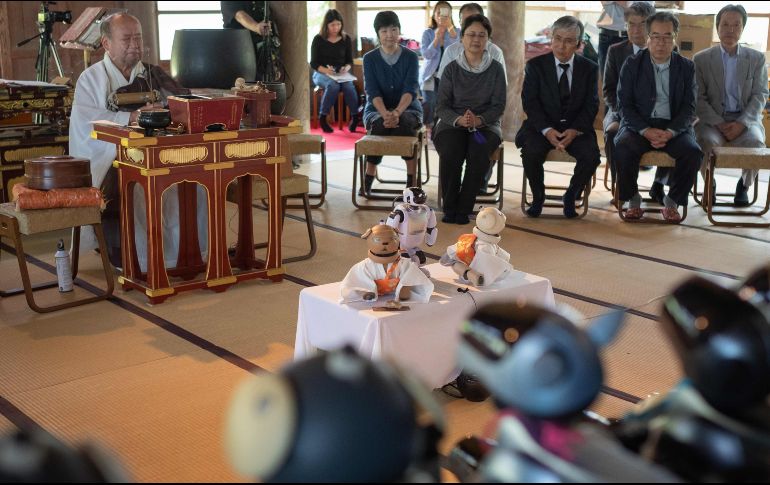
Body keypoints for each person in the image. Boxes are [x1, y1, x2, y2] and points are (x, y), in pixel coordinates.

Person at [69, 13, 207, 271]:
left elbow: (182, 102)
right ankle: (139, 261)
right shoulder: (91, 79)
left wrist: (169, 110)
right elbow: (88, 123)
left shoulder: (153, 74)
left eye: (139, 38)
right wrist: (132, 116)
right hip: (112, 157)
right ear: (106, 43)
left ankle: (188, 255)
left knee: (196, 183)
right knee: (138, 187)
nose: (135, 44)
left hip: (160, 151)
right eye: (127, 38)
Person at [614, 11, 702, 223]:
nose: (661, 43)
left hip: (673, 127)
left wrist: (671, 132)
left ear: (675, 37)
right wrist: (645, 130)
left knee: (693, 152)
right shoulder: (632, 64)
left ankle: (672, 202)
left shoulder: (686, 67)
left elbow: (689, 107)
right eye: (656, 36)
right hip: (640, 126)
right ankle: (633, 200)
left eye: (667, 36)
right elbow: (624, 105)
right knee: (623, 146)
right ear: (647, 37)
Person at [515, 16, 601, 219]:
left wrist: (574, 130)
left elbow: (591, 105)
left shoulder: (589, 68)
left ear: (579, 44)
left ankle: (571, 195)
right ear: (550, 38)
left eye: (569, 40)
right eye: (558, 38)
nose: (562, 46)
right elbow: (530, 102)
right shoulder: (535, 66)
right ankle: (538, 196)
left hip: (576, 128)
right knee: (531, 152)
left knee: (591, 156)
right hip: (542, 126)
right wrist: (547, 130)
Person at [694, 4, 768, 207]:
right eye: (725, 24)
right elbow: (698, 98)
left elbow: (760, 94)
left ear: (743, 29)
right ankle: (711, 184)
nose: (730, 30)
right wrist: (718, 122)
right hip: (712, 121)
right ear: (717, 27)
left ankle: (743, 186)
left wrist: (742, 123)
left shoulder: (756, 58)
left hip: (745, 121)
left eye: (737, 25)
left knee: (756, 144)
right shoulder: (701, 59)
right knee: (703, 141)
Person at [434, 14, 506, 225]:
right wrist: (459, 120)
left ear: (487, 40)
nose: (476, 39)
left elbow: (498, 105)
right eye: (471, 34)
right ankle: (450, 207)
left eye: (481, 35)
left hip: (485, 127)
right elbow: (441, 106)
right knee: (451, 151)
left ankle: (464, 209)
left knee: (479, 152)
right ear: (462, 39)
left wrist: (479, 120)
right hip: (452, 124)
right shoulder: (451, 68)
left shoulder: (495, 69)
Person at [603, 2, 662, 201]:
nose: (636, 30)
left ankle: (659, 184)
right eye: (631, 24)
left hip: (657, 114)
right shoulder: (616, 51)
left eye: (642, 24)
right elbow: (608, 90)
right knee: (612, 132)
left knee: (677, 133)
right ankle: (622, 185)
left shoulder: (666, 50)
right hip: (620, 111)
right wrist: (624, 114)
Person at [362, 11, 423, 194]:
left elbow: (410, 90)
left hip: (408, 109)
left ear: (399, 31)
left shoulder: (411, 57)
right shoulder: (369, 58)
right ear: (378, 33)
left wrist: (396, 113)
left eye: (394, 29)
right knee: (380, 125)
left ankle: (411, 181)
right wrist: (385, 113)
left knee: (404, 124)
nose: (390, 34)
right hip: (376, 109)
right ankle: (368, 176)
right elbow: (372, 91)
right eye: (384, 30)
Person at [311, 9, 359, 133]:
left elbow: (349, 61)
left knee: (349, 86)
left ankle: (355, 117)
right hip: (321, 73)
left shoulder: (345, 38)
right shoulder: (318, 39)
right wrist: (327, 71)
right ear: (326, 25)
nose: (336, 28)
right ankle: (323, 118)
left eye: (338, 24)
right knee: (333, 85)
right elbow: (314, 63)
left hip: (340, 74)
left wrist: (345, 68)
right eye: (332, 25)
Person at [420, 1, 459, 134]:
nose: (442, 16)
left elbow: (458, 51)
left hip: (448, 76)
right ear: (434, 15)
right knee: (428, 102)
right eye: (439, 12)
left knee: (444, 104)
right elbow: (426, 54)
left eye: (446, 13)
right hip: (430, 75)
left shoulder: (456, 32)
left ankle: (438, 130)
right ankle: (426, 128)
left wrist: (450, 29)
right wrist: (436, 38)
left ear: (450, 15)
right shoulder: (428, 33)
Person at [221, 1, 283, 82]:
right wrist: (256, 27)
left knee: (266, 87)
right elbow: (240, 16)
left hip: (263, 52)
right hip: (241, 54)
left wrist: (274, 63)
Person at [597, 1, 630, 74]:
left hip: (631, 36)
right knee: (605, 77)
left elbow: (640, 6)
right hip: (607, 36)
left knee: (630, 77)